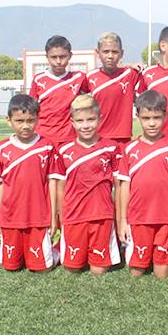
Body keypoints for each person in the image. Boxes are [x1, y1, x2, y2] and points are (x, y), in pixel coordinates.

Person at [117, 90, 168, 279]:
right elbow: (124, 186)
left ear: (165, 115)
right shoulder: (129, 149)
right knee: (136, 272)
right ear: (138, 116)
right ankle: (137, 251)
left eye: (157, 117)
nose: (152, 123)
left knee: (161, 274)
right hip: (138, 218)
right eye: (146, 118)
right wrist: (123, 220)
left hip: (165, 218)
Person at [51, 94, 121, 274]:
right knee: (72, 269)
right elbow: (60, 187)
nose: (86, 125)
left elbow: (119, 186)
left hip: (102, 215)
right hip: (74, 215)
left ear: (100, 119)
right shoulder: (63, 150)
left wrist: (119, 218)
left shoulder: (112, 148)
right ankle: (59, 248)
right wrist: (61, 217)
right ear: (72, 122)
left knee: (99, 271)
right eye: (80, 121)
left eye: (91, 119)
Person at [0, 94, 58, 272]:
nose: (25, 126)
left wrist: (53, 216)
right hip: (10, 217)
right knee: (11, 267)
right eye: (19, 121)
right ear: (9, 120)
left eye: (30, 120)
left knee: (42, 269)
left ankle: (57, 251)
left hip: (38, 217)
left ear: (37, 119)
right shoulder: (2, 148)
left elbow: (52, 182)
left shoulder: (47, 146)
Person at [29, 35, 87, 146]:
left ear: (70, 55)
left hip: (69, 139)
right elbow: (31, 110)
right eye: (54, 57)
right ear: (47, 57)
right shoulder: (38, 80)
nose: (58, 61)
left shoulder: (79, 78)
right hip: (43, 138)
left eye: (62, 56)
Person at [86, 32, 141, 144]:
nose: (110, 56)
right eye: (106, 51)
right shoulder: (89, 77)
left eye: (115, 52)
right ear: (98, 52)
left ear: (122, 53)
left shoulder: (131, 74)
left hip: (122, 138)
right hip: (97, 138)